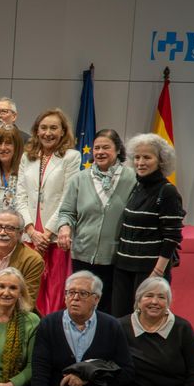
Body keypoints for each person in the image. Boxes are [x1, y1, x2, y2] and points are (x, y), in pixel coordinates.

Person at [26, 271, 133, 386]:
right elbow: (40, 374)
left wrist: (88, 378)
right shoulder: (49, 324)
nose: (75, 298)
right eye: (70, 292)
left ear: (96, 299)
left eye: (82, 294)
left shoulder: (111, 326)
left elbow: (126, 373)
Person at [52, 129, 134, 316]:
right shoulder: (79, 179)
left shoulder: (132, 179)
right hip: (82, 255)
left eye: (106, 147)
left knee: (110, 308)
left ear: (118, 150)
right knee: (82, 306)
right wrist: (64, 227)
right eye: (96, 148)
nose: (100, 152)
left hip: (116, 258)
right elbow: (66, 212)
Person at [113, 133, 184, 317]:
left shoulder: (167, 191)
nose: (140, 162)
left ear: (161, 161)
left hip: (149, 271)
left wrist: (157, 273)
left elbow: (172, 237)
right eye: (137, 157)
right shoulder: (137, 186)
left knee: (146, 321)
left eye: (147, 157)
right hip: (124, 267)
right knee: (121, 320)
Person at [17, 109, 81, 315]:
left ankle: (50, 329)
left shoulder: (71, 157)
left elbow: (67, 197)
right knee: (27, 290)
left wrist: (47, 233)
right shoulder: (27, 157)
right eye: (43, 128)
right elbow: (20, 195)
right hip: (29, 236)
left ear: (63, 131)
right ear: (36, 131)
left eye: (54, 128)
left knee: (53, 292)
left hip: (54, 239)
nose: (48, 132)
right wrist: (30, 229)